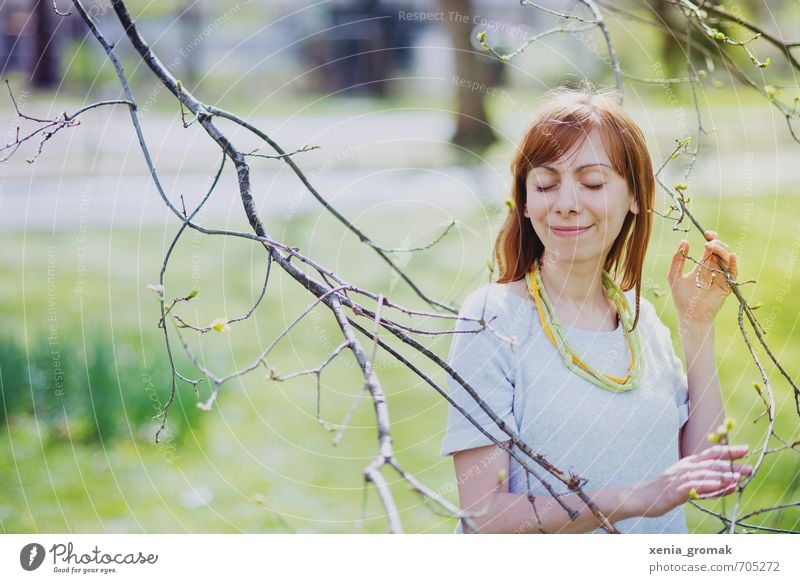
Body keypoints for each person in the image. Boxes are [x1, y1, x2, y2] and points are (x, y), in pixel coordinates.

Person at [439, 85, 751, 534]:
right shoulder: (492, 319)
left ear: (634, 197)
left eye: (592, 182)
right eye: (546, 184)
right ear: (525, 203)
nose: (566, 203)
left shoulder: (641, 325)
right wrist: (634, 498)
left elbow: (704, 468)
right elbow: (484, 514)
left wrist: (697, 325)